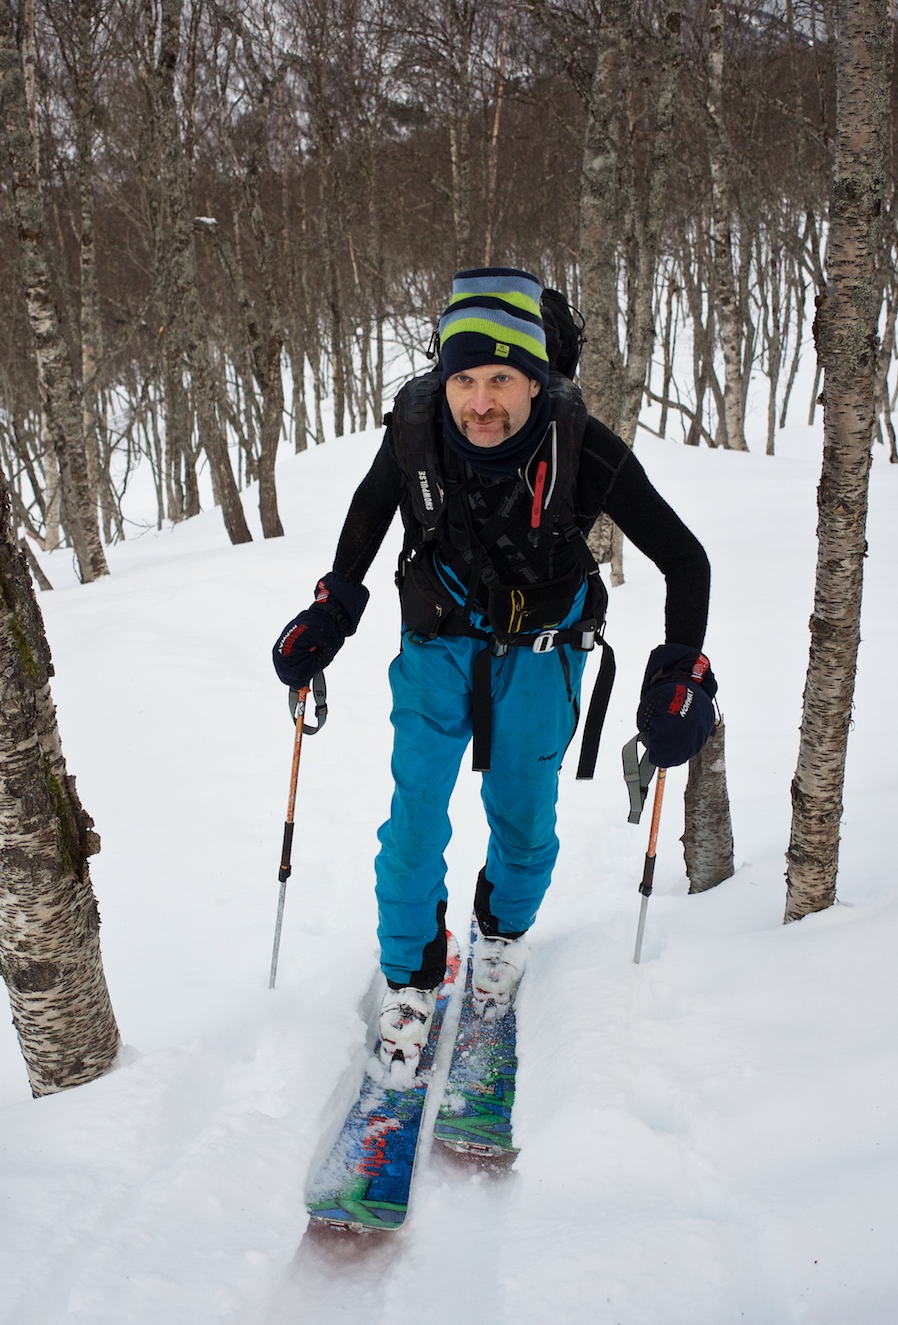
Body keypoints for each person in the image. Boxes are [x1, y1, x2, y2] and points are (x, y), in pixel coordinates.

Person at [271, 266, 715, 1085]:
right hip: (437, 643)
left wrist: (682, 671)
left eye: (502, 379)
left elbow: (685, 559)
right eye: (464, 377)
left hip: (545, 650)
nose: (480, 401)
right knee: (412, 826)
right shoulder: (416, 429)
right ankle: (411, 981)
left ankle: (500, 935)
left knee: (523, 818)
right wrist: (333, 607)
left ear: (536, 379)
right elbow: (368, 517)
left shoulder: (579, 445)